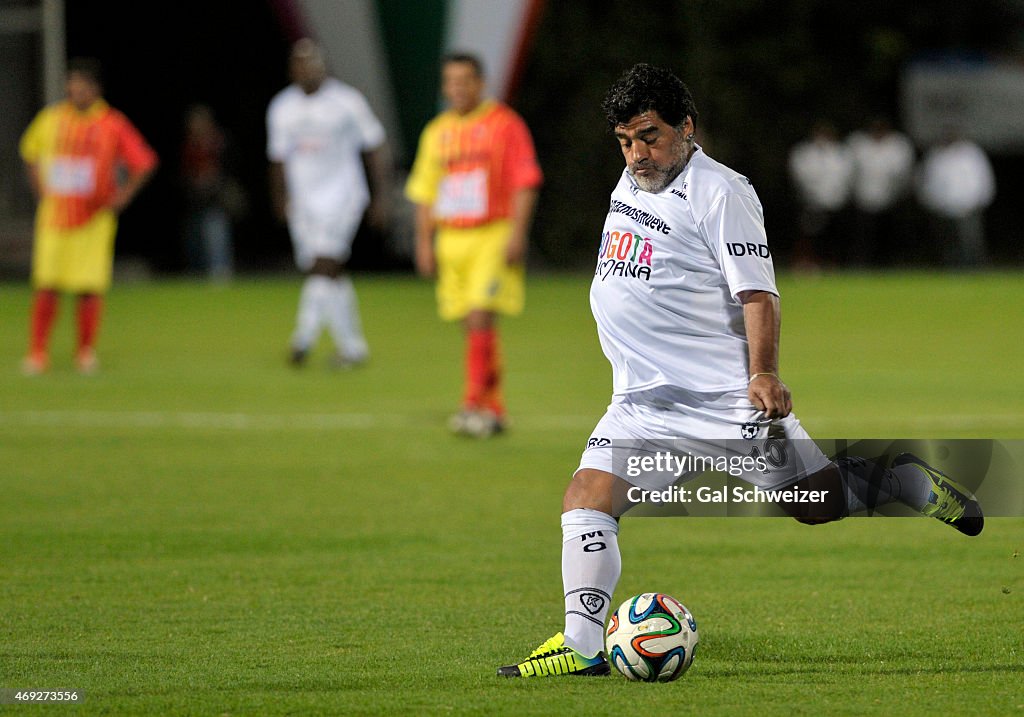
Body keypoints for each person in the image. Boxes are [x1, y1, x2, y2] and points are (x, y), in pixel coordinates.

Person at [497, 64, 983, 679]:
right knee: (585, 501)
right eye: (625, 140)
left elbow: (758, 293)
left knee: (817, 502)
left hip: (723, 400)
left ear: (687, 128)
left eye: (649, 136)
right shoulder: (632, 181)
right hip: (643, 403)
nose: (637, 153)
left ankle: (903, 483)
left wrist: (763, 374)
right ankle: (582, 646)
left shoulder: (720, 192)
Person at [405, 53, 542, 437]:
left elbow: (525, 179)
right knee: (473, 326)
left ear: (481, 83)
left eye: (465, 80)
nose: (457, 88)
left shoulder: (505, 125)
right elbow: (424, 190)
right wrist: (423, 242)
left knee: (482, 315)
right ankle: (494, 409)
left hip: (491, 233)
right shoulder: (437, 131)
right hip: (451, 237)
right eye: (451, 81)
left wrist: (518, 232)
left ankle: (470, 404)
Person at [19, 57, 158, 375]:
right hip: (55, 216)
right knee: (47, 284)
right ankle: (37, 353)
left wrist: (123, 196)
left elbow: (144, 161)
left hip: (93, 219)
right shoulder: (52, 119)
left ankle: (84, 352)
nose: (76, 90)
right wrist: (40, 190)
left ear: (95, 89)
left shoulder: (112, 123)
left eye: (83, 85)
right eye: (73, 83)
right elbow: (29, 151)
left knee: (88, 286)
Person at [266, 38, 391, 368]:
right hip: (303, 201)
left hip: (342, 195)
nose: (306, 68)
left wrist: (381, 196)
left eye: (312, 62)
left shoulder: (347, 101)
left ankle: (302, 339)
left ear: (324, 65)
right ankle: (353, 348)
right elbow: (277, 158)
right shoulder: (281, 107)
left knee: (324, 264)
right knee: (325, 273)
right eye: (299, 62)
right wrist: (280, 197)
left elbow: (374, 146)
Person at [915, 128, 995, 268]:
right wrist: (931, 202)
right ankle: (952, 268)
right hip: (943, 208)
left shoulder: (971, 153)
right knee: (948, 240)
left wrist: (981, 200)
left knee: (971, 240)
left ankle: (975, 267)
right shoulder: (936, 155)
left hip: (968, 206)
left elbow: (983, 178)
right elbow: (926, 181)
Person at [180, 104, 243, 280]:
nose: (196, 126)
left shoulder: (219, 141)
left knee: (216, 232)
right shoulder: (191, 144)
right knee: (195, 237)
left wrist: (216, 180)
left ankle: (220, 271)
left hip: (217, 198)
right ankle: (199, 273)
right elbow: (184, 172)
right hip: (196, 200)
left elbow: (233, 165)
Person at [845, 117, 916, 267]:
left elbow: (904, 173)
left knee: (891, 236)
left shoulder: (899, 145)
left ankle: (892, 263)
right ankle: (862, 264)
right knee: (864, 237)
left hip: (892, 199)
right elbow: (849, 171)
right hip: (864, 199)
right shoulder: (858, 144)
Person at [787, 120, 853, 270]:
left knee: (833, 236)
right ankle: (807, 263)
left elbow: (845, 175)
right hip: (811, 201)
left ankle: (832, 263)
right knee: (809, 234)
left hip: (835, 202)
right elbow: (800, 174)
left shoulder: (841, 153)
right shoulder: (804, 152)